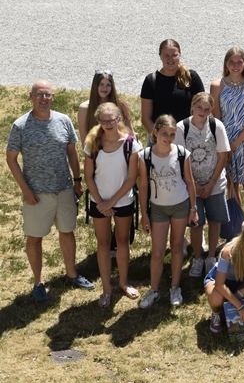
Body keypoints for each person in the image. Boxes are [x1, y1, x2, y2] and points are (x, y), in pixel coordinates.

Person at [6, 81, 94, 300]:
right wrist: (25, 190)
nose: (43, 98)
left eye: (47, 94)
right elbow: (11, 159)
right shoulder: (21, 125)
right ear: (31, 96)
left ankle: (71, 274)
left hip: (64, 190)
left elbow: (72, 152)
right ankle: (38, 281)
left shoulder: (63, 121)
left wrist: (77, 180)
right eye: (39, 94)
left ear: (53, 97)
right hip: (36, 194)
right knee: (35, 238)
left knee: (67, 232)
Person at [84, 103, 142, 307]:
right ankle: (106, 289)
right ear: (98, 121)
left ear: (119, 119)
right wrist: (101, 202)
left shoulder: (130, 144)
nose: (108, 124)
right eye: (103, 121)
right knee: (103, 243)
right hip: (99, 202)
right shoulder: (92, 143)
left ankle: (123, 283)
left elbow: (131, 178)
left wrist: (112, 202)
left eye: (111, 120)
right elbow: (88, 176)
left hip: (123, 201)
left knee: (122, 241)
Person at [139, 115, 199, 309]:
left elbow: (190, 183)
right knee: (157, 252)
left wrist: (193, 208)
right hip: (158, 209)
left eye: (172, 134)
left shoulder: (182, 153)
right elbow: (144, 187)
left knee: (176, 247)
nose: (168, 138)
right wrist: (144, 214)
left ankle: (175, 287)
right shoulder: (145, 156)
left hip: (181, 206)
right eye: (164, 133)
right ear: (155, 132)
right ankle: (154, 290)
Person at [176, 92, 231, 279]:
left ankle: (211, 256)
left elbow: (223, 155)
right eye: (199, 107)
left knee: (215, 220)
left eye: (207, 109)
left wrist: (211, 183)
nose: (203, 112)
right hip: (192, 186)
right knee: (196, 222)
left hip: (214, 184)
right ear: (192, 106)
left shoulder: (217, 126)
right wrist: (195, 184)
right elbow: (180, 158)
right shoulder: (181, 128)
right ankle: (198, 257)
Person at [210, 47, 244, 215]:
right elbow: (217, 118)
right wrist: (225, 146)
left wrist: (235, 144)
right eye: (231, 62)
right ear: (226, 63)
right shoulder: (217, 85)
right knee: (231, 187)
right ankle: (238, 224)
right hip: (225, 140)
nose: (235, 65)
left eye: (239, 62)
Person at [140, 39, 205, 137]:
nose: (170, 59)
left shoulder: (191, 77)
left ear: (180, 54)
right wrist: (160, 138)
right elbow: (146, 118)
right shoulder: (151, 80)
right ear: (160, 56)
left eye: (174, 55)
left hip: (189, 136)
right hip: (159, 139)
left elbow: (202, 109)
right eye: (166, 55)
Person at [78, 70, 134, 144]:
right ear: (95, 86)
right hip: (97, 149)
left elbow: (130, 131)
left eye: (108, 85)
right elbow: (84, 138)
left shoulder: (120, 104)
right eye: (101, 84)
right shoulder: (84, 108)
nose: (104, 88)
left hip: (119, 147)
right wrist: (88, 155)